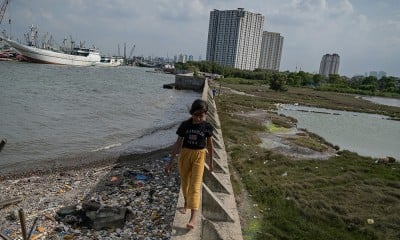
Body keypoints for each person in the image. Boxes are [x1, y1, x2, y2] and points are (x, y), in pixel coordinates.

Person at [165, 99, 214, 229]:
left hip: (199, 156)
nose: (198, 118)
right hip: (185, 155)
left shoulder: (207, 127)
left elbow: (210, 145)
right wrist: (170, 162)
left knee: (195, 185)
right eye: (196, 115)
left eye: (201, 115)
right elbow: (178, 144)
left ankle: (192, 218)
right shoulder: (185, 125)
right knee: (185, 182)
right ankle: (186, 202)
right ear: (192, 113)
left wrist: (211, 162)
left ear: (205, 114)